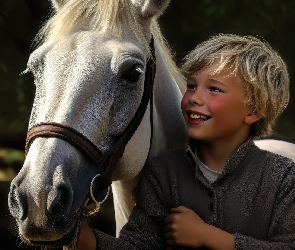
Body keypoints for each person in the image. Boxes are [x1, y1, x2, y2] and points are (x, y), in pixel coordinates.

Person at [75, 34, 295, 249]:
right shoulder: (162, 173)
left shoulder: (283, 177)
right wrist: (91, 242)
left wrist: (208, 237)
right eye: (191, 86)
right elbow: (141, 244)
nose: (194, 98)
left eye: (214, 89)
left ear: (254, 110)